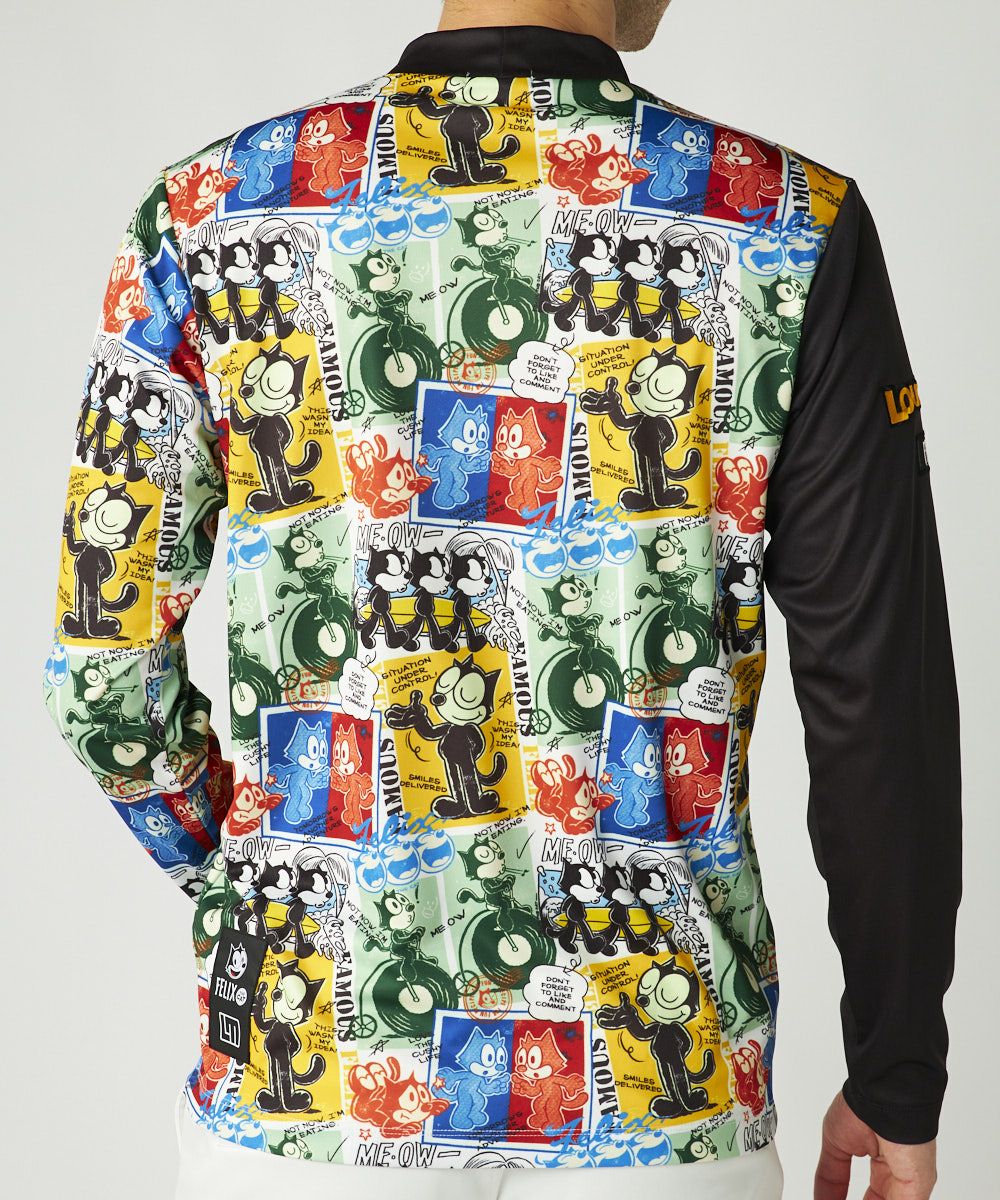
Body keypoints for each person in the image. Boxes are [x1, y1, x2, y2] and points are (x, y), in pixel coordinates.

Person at [42, 2, 961, 1199]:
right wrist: (896, 1065)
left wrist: (264, 882)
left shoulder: (205, 214)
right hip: (662, 1097)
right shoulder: (789, 225)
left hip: (307, 1089)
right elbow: (877, 702)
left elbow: (103, 678)